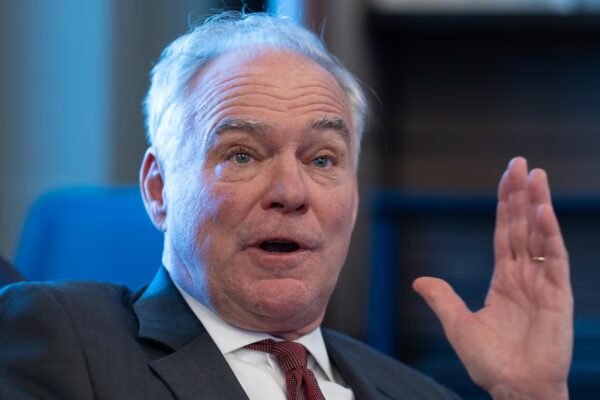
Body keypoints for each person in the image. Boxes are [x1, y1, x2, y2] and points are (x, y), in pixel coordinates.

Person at [0, 12, 573, 400]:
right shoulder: (66, 337)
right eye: (242, 154)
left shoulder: (417, 393)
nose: (292, 193)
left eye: (323, 159)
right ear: (158, 189)